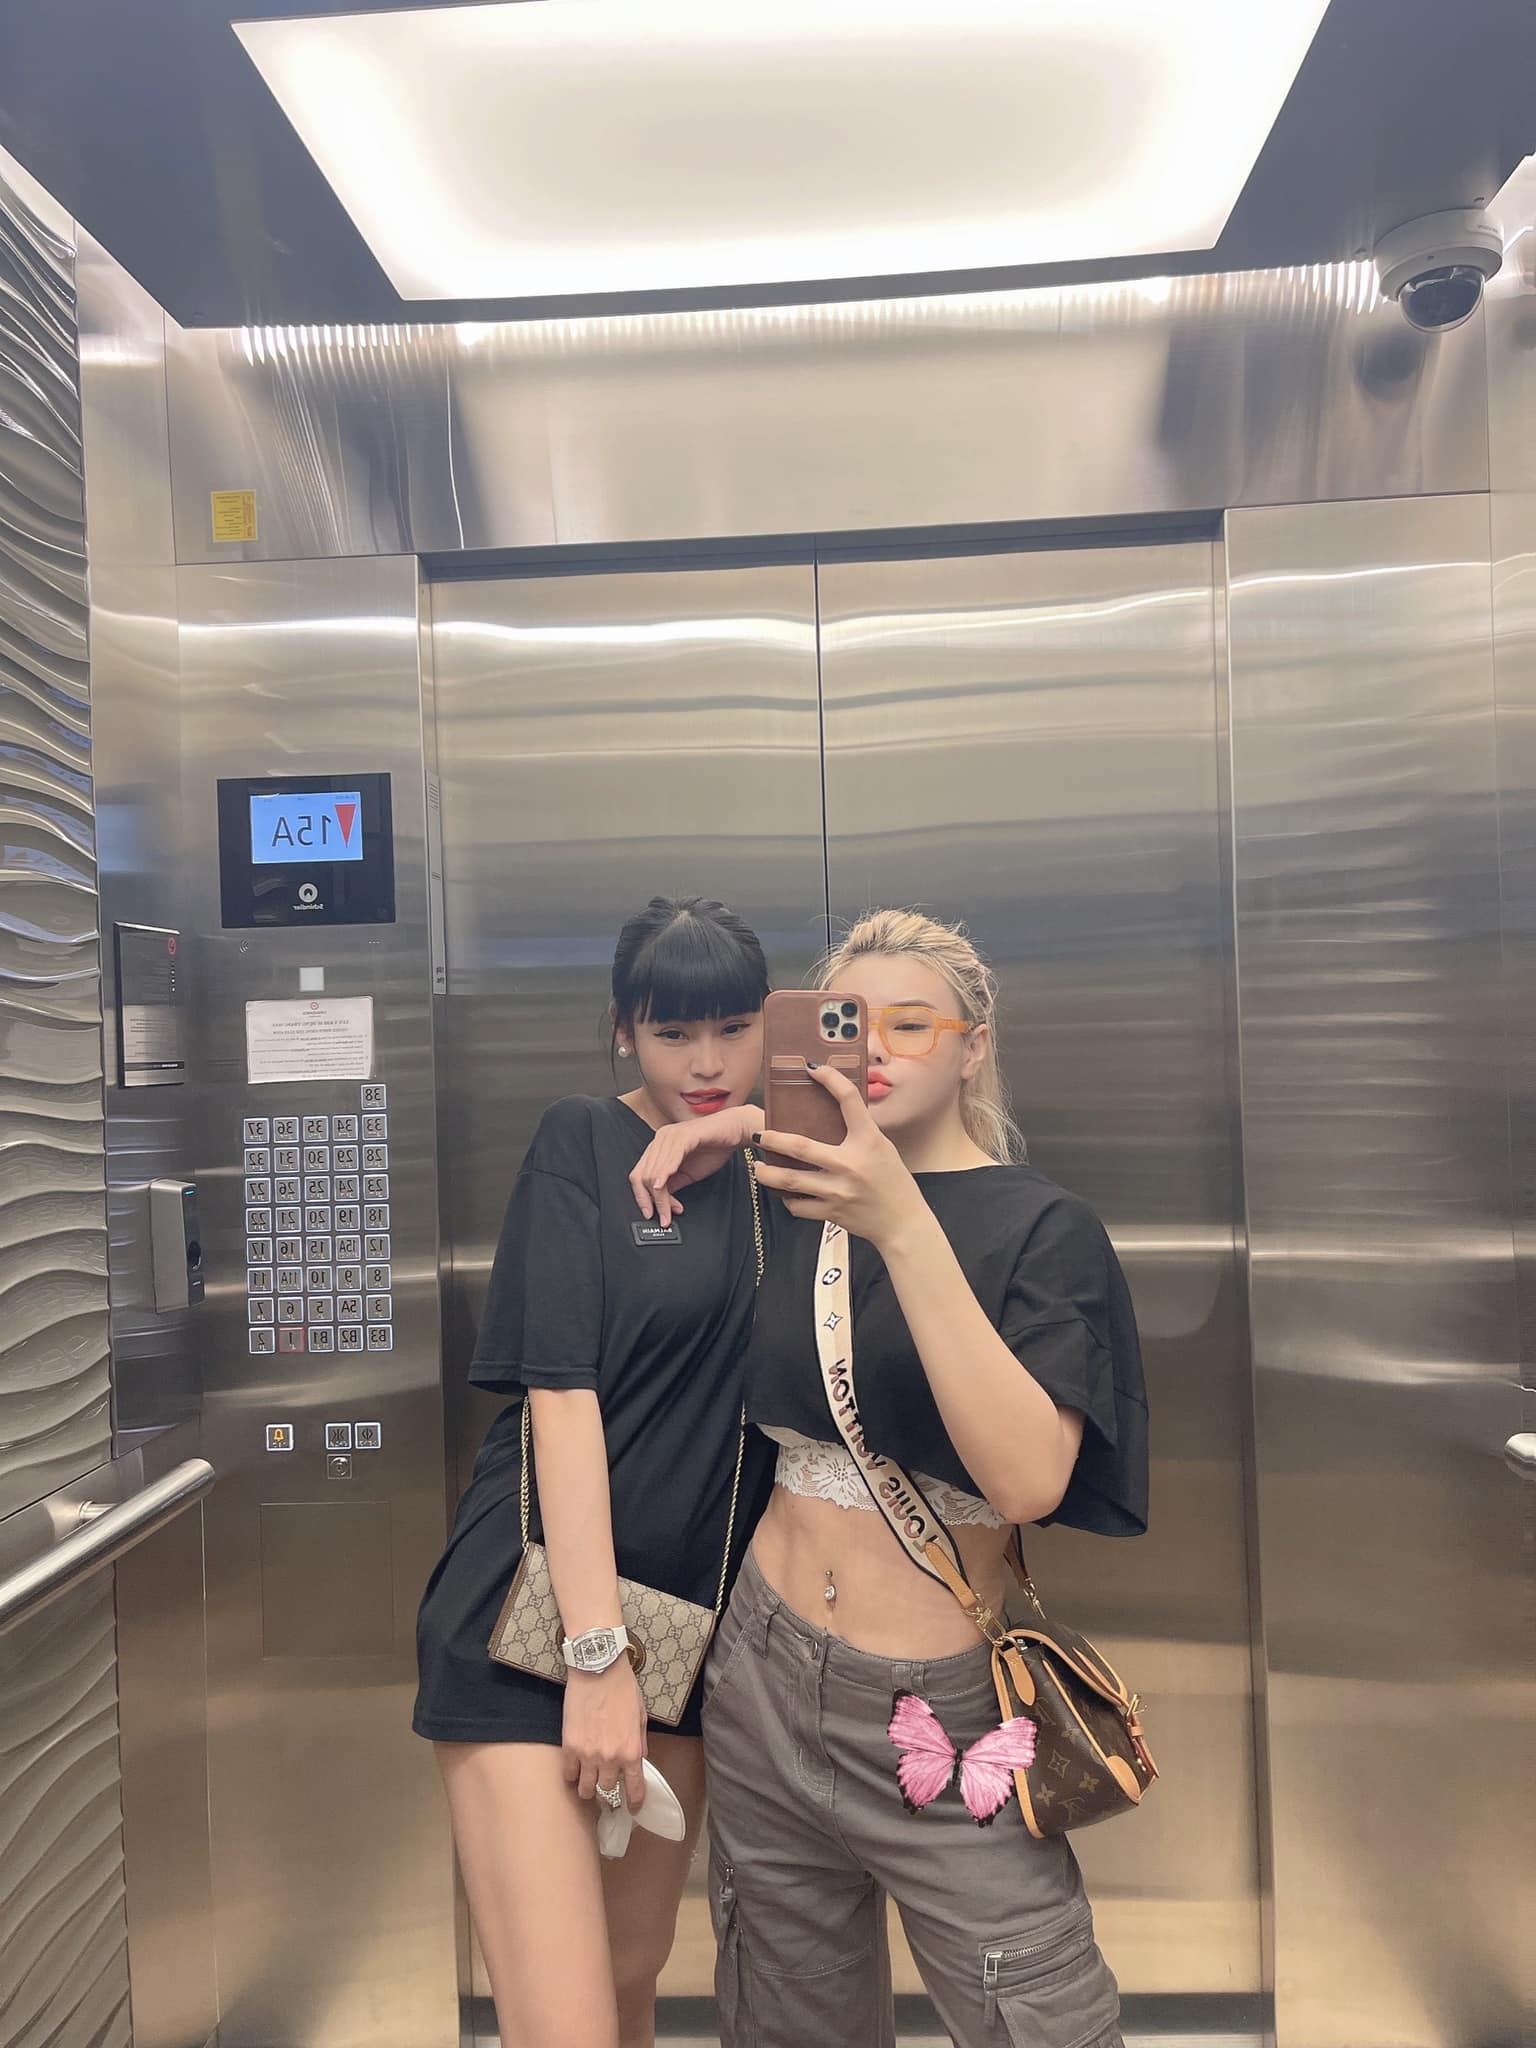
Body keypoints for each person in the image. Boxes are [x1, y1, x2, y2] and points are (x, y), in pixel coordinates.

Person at [629, 909, 1148, 2048]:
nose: (874, 1049)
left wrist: (901, 1223)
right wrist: (736, 1129)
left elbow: (1027, 1480)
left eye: (912, 1025)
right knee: (785, 2009)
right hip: (759, 1675)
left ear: (973, 1047)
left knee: (1037, 2011)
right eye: (846, 1024)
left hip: (941, 1710)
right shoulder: (781, 1203)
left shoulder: (1042, 1227)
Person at [413, 896, 777, 2048]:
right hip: (536, 1625)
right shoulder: (580, 1142)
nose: (706, 1062)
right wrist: (597, 1654)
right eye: (673, 1032)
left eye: (733, 1028)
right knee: (566, 2024)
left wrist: (750, 1124)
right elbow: (560, 1398)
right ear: (623, 1030)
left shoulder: (785, 1165)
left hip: (686, 1631)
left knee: (627, 1986)